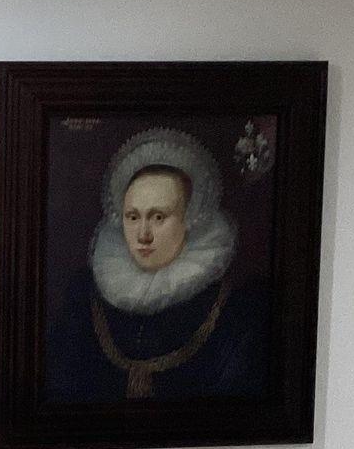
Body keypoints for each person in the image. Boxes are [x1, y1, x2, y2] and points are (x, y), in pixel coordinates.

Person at [47, 128, 267, 403]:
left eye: (158, 217)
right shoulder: (84, 297)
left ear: (190, 218)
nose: (143, 235)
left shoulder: (231, 308)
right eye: (133, 217)